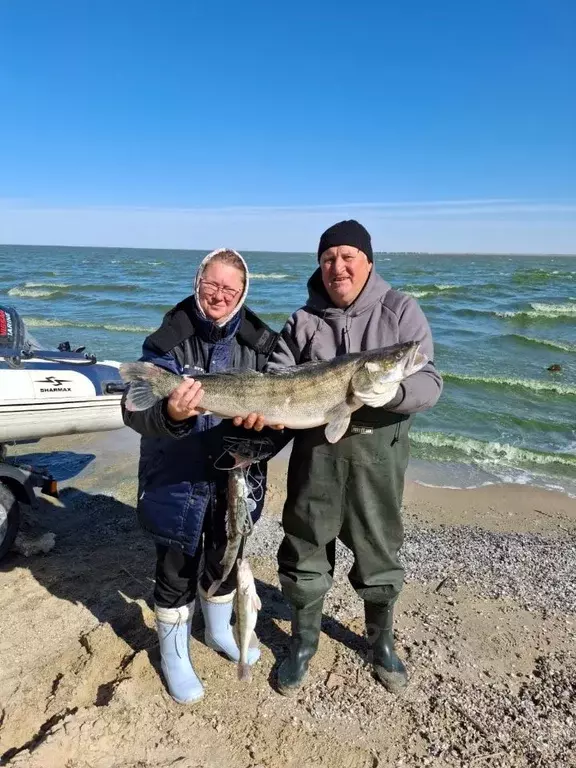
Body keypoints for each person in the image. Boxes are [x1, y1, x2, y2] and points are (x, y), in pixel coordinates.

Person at [267, 220, 443, 695]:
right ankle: (303, 642)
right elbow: (276, 376)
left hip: (377, 458)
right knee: (304, 545)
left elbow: (430, 383)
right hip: (315, 458)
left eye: (347, 256)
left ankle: (380, 643)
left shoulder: (401, 312)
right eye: (328, 259)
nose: (337, 267)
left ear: (368, 260)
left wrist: (384, 393)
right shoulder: (303, 320)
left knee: (380, 551)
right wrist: (267, 415)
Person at [122, 248, 282, 704]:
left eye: (230, 289)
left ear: (243, 292)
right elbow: (133, 412)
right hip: (177, 476)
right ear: (198, 283)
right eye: (212, 285)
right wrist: (172, 411)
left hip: (233, 477)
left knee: (225, 558)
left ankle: (217, 632)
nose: (219, 295)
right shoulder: (169, 339)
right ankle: (173, 656)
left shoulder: (261, 344)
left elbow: (284, 414)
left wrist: (261, 431)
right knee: (175, 568)